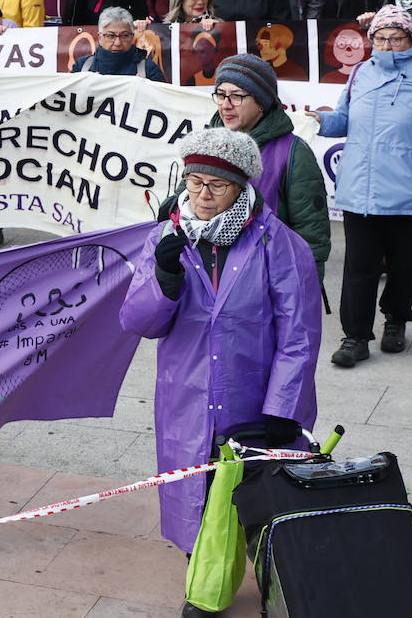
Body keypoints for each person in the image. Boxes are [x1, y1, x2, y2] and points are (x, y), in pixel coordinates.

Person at [121, 127, 320, 616]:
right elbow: (137, 321)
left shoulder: (279, 244)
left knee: (259, 501)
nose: (203, 195)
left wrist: (283, 409)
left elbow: (299, 335)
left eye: (217, 185)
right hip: (186, 397)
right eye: (194, 181)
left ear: (242, 186)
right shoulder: (167, 237)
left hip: (252, 401)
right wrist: (164, 280)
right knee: (197, 495)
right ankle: (206, 583)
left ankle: (278, 580)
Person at [312, 6, 412, 366]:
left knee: (403, 264)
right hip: (359, 189)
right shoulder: (361, 72)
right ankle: (355, 337)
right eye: (380, 38)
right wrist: (319, 121)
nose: (388, 45)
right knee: (358, 266)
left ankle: (396, 319)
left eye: (396, 38)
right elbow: (344, 119)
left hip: (409, 194)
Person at [209, 54, 331, 278]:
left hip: (268, 276)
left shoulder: (293, 152)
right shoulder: (206, 144)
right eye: (220, 95)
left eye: (237, 96)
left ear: (261, 104)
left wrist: (307, 286)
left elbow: (311, 233)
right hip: (212, 274)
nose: (225, 105)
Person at [70, 6, 165, 79]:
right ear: (99, 37)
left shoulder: (148, 70)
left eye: (124, 36)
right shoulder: (82, 67)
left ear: (132, 37)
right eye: (111, 36)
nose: (117, 43)